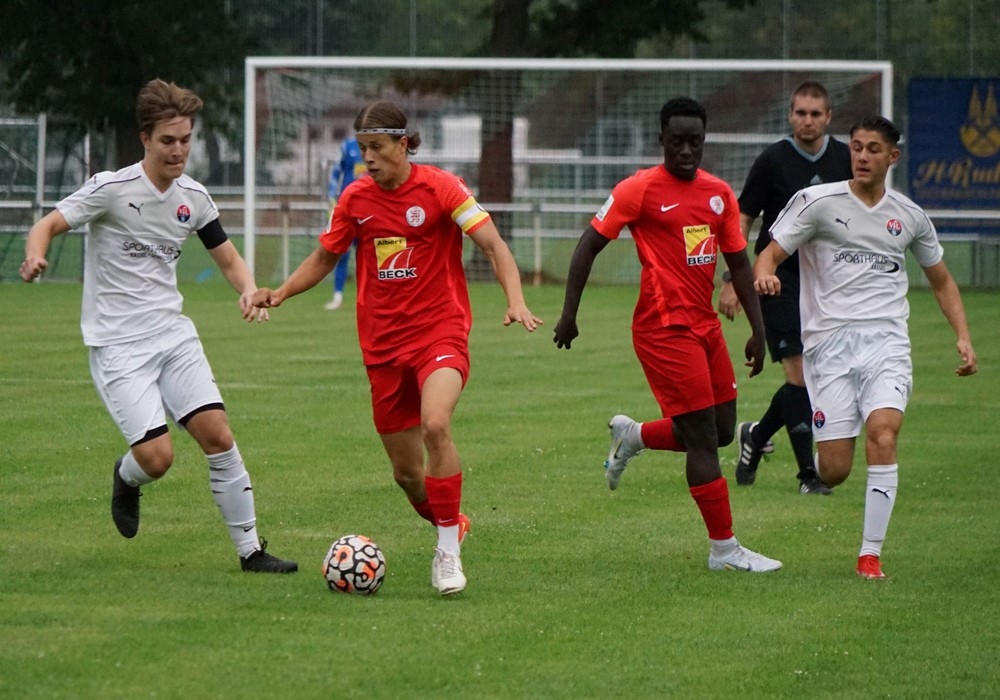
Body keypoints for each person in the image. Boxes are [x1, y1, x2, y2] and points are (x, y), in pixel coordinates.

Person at [252, 100, 542, 595]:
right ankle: (452, 524)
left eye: (377, 148)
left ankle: (446, 554)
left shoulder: (442, 189)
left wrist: (515, 299)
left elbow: (493, 245)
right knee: (407, 476)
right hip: (383, 347)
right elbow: (325, 256)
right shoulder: (355, 199)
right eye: (362, 148)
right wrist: (280, 293)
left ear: (404, 144)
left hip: (439, 333)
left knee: (436, 423)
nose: (368, 158)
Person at [18, 79, 297, 573]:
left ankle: (251, 552)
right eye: (168, 140)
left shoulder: (194, 197)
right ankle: (126, 477)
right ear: (145, 138)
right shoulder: (111, 189)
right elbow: (48, 225)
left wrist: (248, 289)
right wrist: (36, 255)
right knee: (157, 458)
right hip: (118, 345)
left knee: (218, 435)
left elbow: (228, 257)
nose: (179, 150)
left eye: (186, 139)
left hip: (173, 336)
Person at [554, 96, 782, 574]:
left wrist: (758, 330)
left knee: (721, 431)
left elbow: (739, 264)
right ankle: (724, 550)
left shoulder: (719, 194)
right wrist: (569, 314)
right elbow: (588, 245)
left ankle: (633, 435)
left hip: (705, 326)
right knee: (702, 440)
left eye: (694, 142)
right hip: (663, 329)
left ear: (704, 141)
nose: (685, 151)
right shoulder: (638, 190)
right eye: (676, 141)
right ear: (661, 140)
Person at [754, 115, 978, 580]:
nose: (861, 156)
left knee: (884, 434)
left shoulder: (909, 216)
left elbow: (942, 281)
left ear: (892, 156)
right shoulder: (817, 203)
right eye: (856, 147)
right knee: (834, 471)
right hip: (829, 347)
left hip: (886, 343)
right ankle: (783, 436)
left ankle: (869, 555)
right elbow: (769, 254)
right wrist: (765, 275)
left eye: (873, 149)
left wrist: (963, 335)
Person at [719, 81, 852, 495]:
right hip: (776, 277)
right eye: (800, 113)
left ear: (828, 117)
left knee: (813, 378)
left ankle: (756, 436)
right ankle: (809, 475)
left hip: (827, 281)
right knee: (798, 373)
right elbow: (742, 218)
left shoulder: (846, 160)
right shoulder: (773, 160)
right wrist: (732, 278)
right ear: (790, 115)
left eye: (815, 113)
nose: (807, 120)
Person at [324, 136, 367, 310]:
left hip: (370, 209)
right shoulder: (347, 146)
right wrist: (332, 197)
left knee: (369, 257)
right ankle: (337, 296)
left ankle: (367, 298)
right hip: (348, 209)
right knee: (341, 253)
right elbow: (336, 172)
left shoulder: (378, 145)